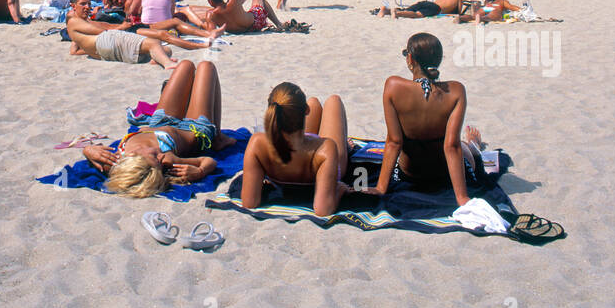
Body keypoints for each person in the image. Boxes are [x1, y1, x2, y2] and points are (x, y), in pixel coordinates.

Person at [359, 33, 484, 207]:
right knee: (462, 146)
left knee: (458, 145)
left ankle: (472, 144)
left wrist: (381, 187)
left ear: (410, 58)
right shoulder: (456, 91)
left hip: (409, 173)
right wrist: (462, 197)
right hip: (444, 174)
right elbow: (451, 146)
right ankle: (474, 145)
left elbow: (394, 142)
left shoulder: (393, 86)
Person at [80, 59, 232, 196]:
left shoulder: (114, 160)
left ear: (132, 157)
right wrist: (200, 171)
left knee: (186, 65)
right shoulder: (167, 161)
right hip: (194, 129)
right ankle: (217, 136)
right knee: (207, 66)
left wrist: (88, 151)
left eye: (154, 156)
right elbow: (208, 161)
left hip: (161, 122)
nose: (159, 157)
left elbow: (89, 150)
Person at [241, 82, 352, 218]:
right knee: (333, 101)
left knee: (314, 102)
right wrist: (340, 189)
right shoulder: (327, 148)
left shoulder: (257, 143)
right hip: (317, 160)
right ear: (306, 110)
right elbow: (322, 209)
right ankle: (345, 146)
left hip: (299, 157)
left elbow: (249, 201)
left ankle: (308, 115)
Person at [65, 0, 212, 67]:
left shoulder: (79, 24)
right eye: (83, 4)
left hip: (105, 49)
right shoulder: (73, 20)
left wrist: (93, 52)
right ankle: (169, 64)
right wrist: (120, 27)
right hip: (109, 40)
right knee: (155, 41)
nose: (87, 7)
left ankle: (160, 59)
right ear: (73, 6)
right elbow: (102, 30)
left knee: (165, 49)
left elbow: (74, 50)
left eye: (88, 4)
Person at [202, 0, 286, 33]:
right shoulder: (233, 0)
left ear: (210, 1)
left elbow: (212, 32)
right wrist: (236, 4)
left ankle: (276, 24)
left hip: (239, 31)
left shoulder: (211, 14)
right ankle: (278, 24)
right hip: (255, 23)